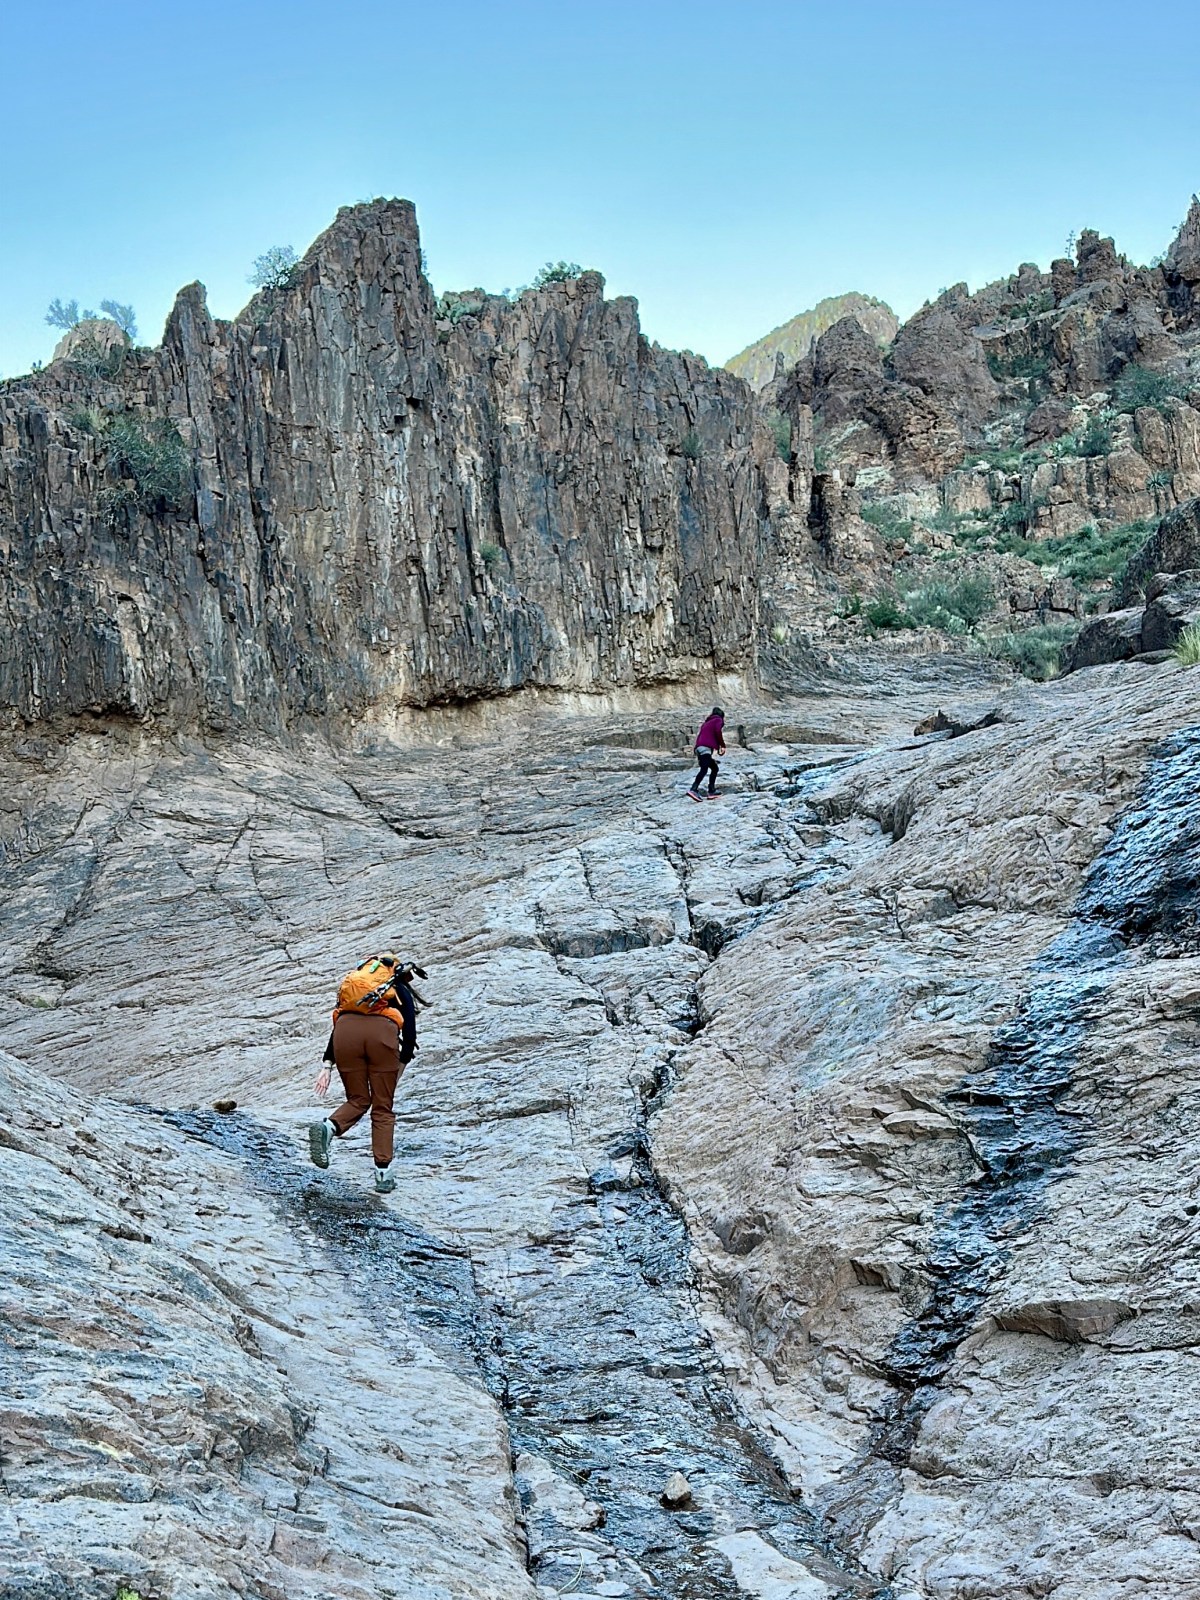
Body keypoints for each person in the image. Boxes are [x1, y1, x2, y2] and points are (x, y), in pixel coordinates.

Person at [308, 952, 420, 1194]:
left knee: (358, 1099)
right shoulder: (395, 987)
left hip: (344, 1036)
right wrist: (400, 1066)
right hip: (381, 1037)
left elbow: (339, 1025)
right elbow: (409, 1035)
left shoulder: (354, 993)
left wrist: (327, 1064)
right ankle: (383, 1175)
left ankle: (329, 1126)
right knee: (382, 1107)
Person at [688, 706, 726, 801]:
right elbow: (717, 731)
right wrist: (722, 745)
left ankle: (711, 790)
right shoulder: (718, 720)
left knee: (714, 768)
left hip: (699, 748)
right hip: (705, 749)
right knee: (704, 769)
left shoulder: (706, 723)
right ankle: (693, 789)